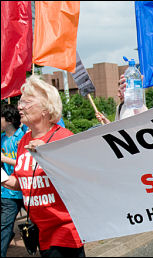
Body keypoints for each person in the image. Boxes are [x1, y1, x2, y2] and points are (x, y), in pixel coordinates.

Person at [1, 75, 85, 257]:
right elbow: (20, 182)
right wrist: (3, 178)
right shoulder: (24, 140)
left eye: (27, 102)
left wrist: (49, 155)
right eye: (20, 102)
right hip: (41, 231)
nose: (20, 107)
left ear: (46, 109)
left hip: (65, 230)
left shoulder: (63, 137)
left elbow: (78, 178)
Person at [1, 104, 25, 257]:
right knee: (4, 227)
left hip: (26, 189)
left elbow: (26, 162)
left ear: (9, 120)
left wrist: (5, 159)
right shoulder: (1, 138)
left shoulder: (22, 138)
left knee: (41, 224)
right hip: (7, 191)